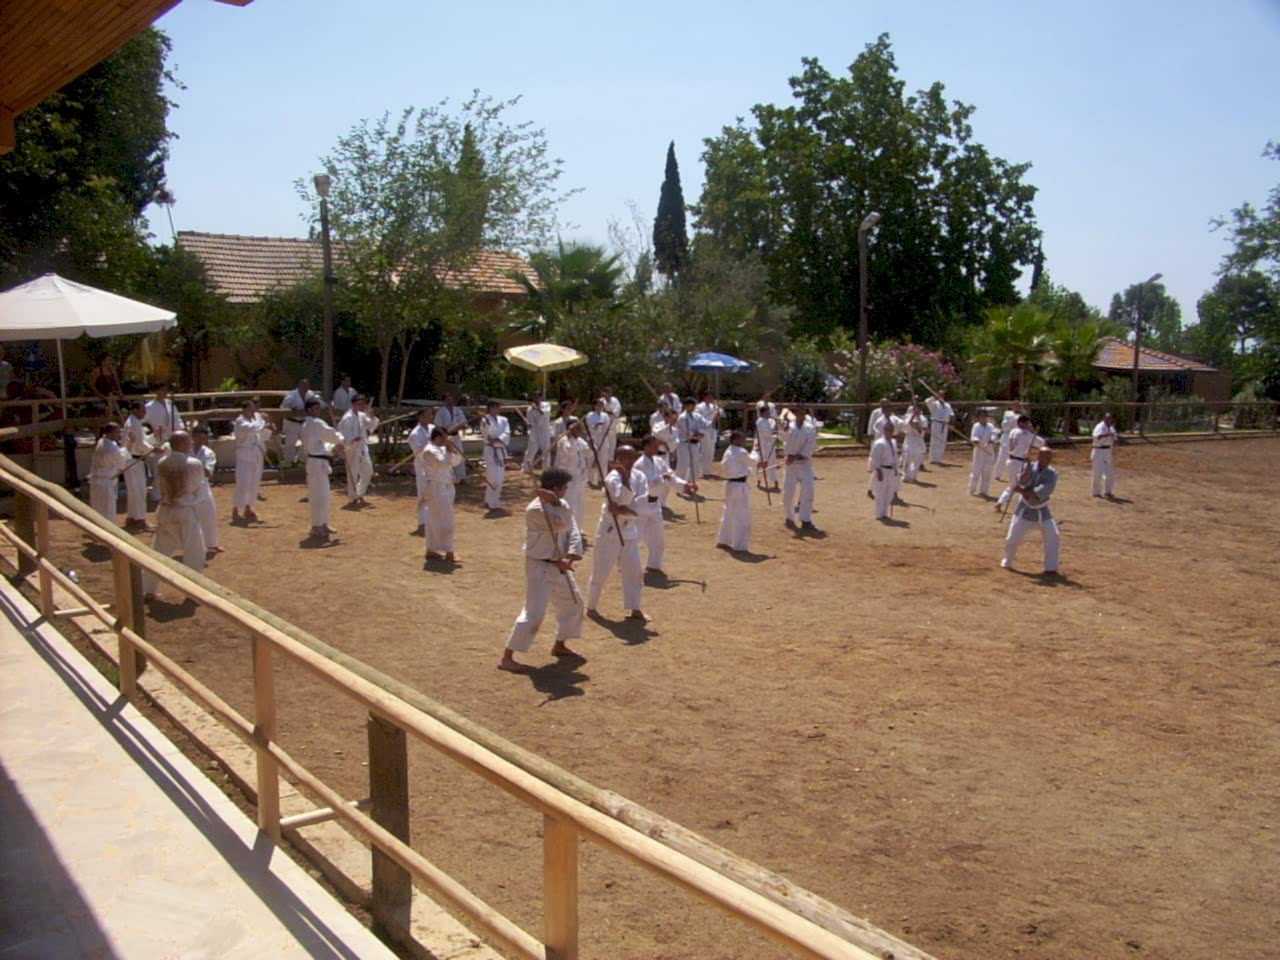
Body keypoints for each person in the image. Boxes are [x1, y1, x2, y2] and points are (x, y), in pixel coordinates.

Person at [499, 467, 585, 672]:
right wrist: (555, 503)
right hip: (540, 566)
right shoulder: (535, 510)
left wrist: (570, 557)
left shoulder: (561, 504)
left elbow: (572, 531)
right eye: (563, 487)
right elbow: (561, 524)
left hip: (560, 565)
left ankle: (560, 645)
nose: (566, 491)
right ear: (554, 488)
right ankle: (507, 657)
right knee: (534, 613)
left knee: (574, 603)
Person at [585, 445, 649, 621]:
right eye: (625, 457)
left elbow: (641, 502)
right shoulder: (611, 478)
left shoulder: (640, 476)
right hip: (610, 531)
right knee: (601, 571)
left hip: (630, 530)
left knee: (635, 570)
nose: (629, 461)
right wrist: (623, 500)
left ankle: (635, 607)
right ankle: (591, 606)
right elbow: (622, 499)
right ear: (617, 460)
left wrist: (624, 509)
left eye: (632, 456)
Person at [143, 432, 208, 598]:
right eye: (188, 441)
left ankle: (147, 589)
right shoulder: (194, 464)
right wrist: (192, 499)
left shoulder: (162, 462)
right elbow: (200, 490)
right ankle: (193, 592)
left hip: (165, 509)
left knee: (159, 551)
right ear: (182, 444)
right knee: (194, 552)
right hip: (185, 510)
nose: (191, 444)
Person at [1002, 446, 1060, 575]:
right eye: (1046, 456)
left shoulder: (1052, 473)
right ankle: (1007, 561)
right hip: (1024, 509)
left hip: (1042, 510)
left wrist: (1021, 490)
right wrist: (1027, 464)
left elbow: (1039, 492)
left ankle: (1050, 568)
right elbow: (1022, 481)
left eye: (1050, 457)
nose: (1049, 460)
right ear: (1039, 457)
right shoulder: (1029, 467)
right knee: (1012, 538)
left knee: (1053, 536)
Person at [301, 399, 345, 540]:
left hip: (319, 461)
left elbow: (323, 443)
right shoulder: (315, 423)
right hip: (316, 463)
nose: (317, 411)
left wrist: (334, 447)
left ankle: (323, 523)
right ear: (308, 410)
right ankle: (316, 526)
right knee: (318, 496)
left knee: (324, 495)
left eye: (318, 409)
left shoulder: (310, 425)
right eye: (314, 409)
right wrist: (340, 439)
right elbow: (331, 435)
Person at [635, 435, 680, 572]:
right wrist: (662, 478)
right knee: (635, 537)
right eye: (654, 446)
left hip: (655, 504)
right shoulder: (639, 465)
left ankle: (654, 565)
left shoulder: (659, 461)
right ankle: (626, 562)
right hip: (641, 504)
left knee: (658, 538)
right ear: (646, 447)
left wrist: (685, 486)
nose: (657, 448)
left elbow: (671, 476)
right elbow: (648, 484)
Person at [420, 427, 463, 562]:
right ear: (437, 437)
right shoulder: (429, 450)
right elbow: (442, 463)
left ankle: (432, 549)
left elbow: (456, 461)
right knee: (446, 519)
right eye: (444, 437)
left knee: (437, 518)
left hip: (446, 486)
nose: (447, 440)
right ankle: (449, 551)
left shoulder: (443, 449)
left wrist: (451, 449)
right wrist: (449, 448)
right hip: (436, 487)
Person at [716, 430, 759, 552]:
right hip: (739, 486)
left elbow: (744, 465)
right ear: (735, 440)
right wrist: (756, 451)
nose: (744, 441)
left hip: (730, 485)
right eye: (742, 439)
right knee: (742, 515)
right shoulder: (740, 451)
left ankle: (723, 540)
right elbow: (752, 461)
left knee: (728, 512)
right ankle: (740, 545)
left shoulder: (728, 451)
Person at [995, 416, 1046, 510]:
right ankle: (1025, 505)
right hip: (1019, 462)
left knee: (1013, 484)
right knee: (1023, 484)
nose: (1028, 425)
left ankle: (1001, 501)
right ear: (1021, 423)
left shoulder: (1013, 431)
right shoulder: (1025, 434)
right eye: (1027, 423)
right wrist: (1032, 432)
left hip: (1011, 460)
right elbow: (1041, 443)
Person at [232, 399, 270, 524]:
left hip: (256, 453)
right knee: (243, 482)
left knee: (254, 482)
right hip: (245, 454)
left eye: (254, 409)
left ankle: (248, 508)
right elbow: (251, 429)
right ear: (244, 410)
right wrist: (264, 422)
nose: (253, 411)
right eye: (250, 409)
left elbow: (261, 434)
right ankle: (236, 509)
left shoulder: (256, 420)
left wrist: (268, 429)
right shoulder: (240, 422)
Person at [338, 394, 379, 506]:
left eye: (362, 404)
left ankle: (359, 492)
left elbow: (372, 425)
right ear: (353, 404)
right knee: (353, 472)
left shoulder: (362, 415)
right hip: (352, 448)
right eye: (358, 404)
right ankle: (353, 496)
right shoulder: (348, 418)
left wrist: (370, 413)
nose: (361, 406)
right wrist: (353, 438)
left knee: (368, 471)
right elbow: (344, 435)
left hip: (362, 446)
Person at [781, 405, 818, 530]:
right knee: (788, 493)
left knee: (808, 491)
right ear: (795, 413)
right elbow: (783, 439)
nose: (801, 415)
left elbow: (810, 445)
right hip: (790, 466)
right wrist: (784, 428)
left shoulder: (810, 428)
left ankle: (805, 519)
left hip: (805, 464)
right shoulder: (789, 427)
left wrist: (797, 456)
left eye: (803, 413)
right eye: (798, 412)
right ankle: (789, 517)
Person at [88, 423, 130, 522]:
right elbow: (122, 464)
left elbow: (117, 453)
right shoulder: (110, 448)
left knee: (98, 508)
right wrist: (129, 445)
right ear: (110, 433)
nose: (119, 434)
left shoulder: (102, 441)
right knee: (107, 510)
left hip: (97, 480)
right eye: (117, 432)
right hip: (105, 483)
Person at [121, 400, 153, 531]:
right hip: (133, 460)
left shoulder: (134, 422)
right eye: (142, 410)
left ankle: (133, 517)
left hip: (135, 460)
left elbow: (143, 440)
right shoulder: (133, 423)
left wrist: (154, 436)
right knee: (138, 491)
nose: (144, 413)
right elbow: (141, 444)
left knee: (135, 490)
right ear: (135, 410)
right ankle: (139, 519)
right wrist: (153, 450)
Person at [554, 418, 592, 531]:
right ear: (570, 429)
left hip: (580, 478)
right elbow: (569, 452)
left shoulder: (580, 440)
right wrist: (571, 437)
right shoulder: (563, 440)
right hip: (567, 479)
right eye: (577, 428)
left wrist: (591, 446)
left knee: (581, 506)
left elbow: (588, 453)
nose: (580, 430)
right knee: (570, 505)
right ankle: (568, 529)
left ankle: (577, 529)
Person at [190, 425, 222, 556]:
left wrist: (197, 464)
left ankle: (212, 544)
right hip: (187, 487)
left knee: (209, 516)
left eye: (204, 438)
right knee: (190, 518)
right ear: (193, 437)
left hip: (203, 486)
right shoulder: (185, 450)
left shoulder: (208, 453)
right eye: (199, 438)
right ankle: (191, 546)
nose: (201, 441)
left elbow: (209, 473)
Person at [280, 378, 322, 467]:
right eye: (303, 385)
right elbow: (283, 407)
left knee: (306, 442)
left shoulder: (310, 394)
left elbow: (319, 403)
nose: (305, 387)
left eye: (307, 385)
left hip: (304, 422)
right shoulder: (291, 395)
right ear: (299, 386)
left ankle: (301, 460)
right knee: (290, 443)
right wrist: (291, 409)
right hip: (292, 422)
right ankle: (288, 461)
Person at [406, 409, 433, 536]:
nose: (430, 417)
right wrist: (429, 448)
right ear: (421, 417)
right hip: (423, 465)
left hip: (435, 466)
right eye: (428, 414)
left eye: (431, 414)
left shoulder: (433, 429)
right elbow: (418, 452)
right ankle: (422, 523)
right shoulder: (414, 434)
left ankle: (432, 521)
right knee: (423, 493)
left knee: (435, 493)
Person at [480, 399, 510, 511]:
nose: (497, 409)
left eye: (498, 407)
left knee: (500, 478)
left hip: (500, 449)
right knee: (492, 478)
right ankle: (489, 502)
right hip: (490, 450)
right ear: (490, 408)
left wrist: (498, 439)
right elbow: (487, 433)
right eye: (494, 407)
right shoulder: (484, 419)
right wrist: (487, 421)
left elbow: (507, 433)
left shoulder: (504, 420)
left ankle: (494, 501)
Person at [434, 393, 469, 481]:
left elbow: (463, 422)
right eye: (447, 399)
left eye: (451, 398)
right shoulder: (440, 411)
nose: (450, 400)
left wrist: (459, 426)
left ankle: (461, 476)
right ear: (444, 400)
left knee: (459, 454)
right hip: (444, 436)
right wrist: (444, 434)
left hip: (456, 436)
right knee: (447, 456)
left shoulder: (458, 410)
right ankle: (449, 477)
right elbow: (438, 425)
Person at [868, 420, 899, 520]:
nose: (890, 432)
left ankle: (885, 513)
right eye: (888, 430)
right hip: (882, 469)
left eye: (892, 430)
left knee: (889, 492)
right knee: (880, 492)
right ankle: (879, 514)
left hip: (891, 470)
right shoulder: (879, 443)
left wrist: (896, 469)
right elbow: (874, 458)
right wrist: (878, 470)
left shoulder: (893, 442)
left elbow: (895, 457)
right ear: (884, 430)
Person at [968, 409, 998, 497]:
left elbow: (994, 435)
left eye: (985, 416)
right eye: (981, 416)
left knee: (987, 472)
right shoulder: (976, 426)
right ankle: (971, 490)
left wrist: (991, 441)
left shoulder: (991, 426)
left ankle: (984, 491)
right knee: (976, 471)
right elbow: (974, 436)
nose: (983, 418)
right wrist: (976, 441)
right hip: (979, 450)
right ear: (978, 417)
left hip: (989, 450)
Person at [675, 397, 704, 486]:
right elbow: (687, 433)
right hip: (685, 444)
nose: (695, 407)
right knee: (683, 465)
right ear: (687, 406)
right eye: (693, 405)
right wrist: (696, 435)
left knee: (695, 465)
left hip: (695, 444)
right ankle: (680, 485)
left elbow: (704, 425)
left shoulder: (696, 416)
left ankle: (691, 484)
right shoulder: (682, 418)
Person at [522, 392, 552, 473]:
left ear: (541, 398)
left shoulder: (547, 405)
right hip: (535, 432)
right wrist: (528, 424)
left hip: (544, 432)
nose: (537, 399)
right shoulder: (529, 409)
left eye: (538, 397)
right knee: (530, 451)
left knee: (546, 451)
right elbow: (531, 422)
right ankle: (526, 468)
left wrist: (537, 409)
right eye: (535, 397)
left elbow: (544, 415)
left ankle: (547, 470)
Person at [584, 398, 612, 484]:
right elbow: (589, 428)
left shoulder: (605, 415)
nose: (600, 406)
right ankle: (590, 478)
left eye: (601, 405)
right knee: (591, 458)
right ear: (594, 406)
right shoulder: (590, 415)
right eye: (598, 405)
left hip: (603, 439)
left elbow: (608, 427)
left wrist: (607, 430)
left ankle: (601, 479)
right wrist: (596, 425)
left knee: (603, 460)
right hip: (593, 438)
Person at [900, 400, 928, 482]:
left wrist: (917, 426)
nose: (917, 410)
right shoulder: (908, 416)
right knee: (908, 457)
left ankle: (914, 476)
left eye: (919, 409)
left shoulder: (923, 419)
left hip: (918, 439)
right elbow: (905, 427)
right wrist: (912, 419)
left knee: (917, 458)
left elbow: (922, 431)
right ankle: (905, 476)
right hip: (910, 438)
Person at [995, 400, 1024, 481]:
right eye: (1015, 405)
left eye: (1018, 406)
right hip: (1007, 435)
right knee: (1002, 456)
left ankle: (1014, 475)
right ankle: (997, 474)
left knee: (1015, 456)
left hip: (1016, 436)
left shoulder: (1021, 415)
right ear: (1012, 406)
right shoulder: (1007, 413)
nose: (1017, 407)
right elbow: (1013, 420)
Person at [1091, 412, 1118, 498]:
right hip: (1099, 450)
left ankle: (1108, 491)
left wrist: (1114, 438)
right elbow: (1097, 436)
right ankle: (1096, 492)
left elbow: (1116, 440)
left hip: (1108, 451)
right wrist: (1108, 434)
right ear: (1104, 418)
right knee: (1097, 472)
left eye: (1110, 418)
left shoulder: (1112, 428)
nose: (1109, 420)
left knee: (1110, 472)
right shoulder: (1099, 426)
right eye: (1107, 418)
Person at [694, 390, 720, 478]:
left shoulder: (714, 407)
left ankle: (707, 470)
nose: (711, 399)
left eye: (711, 397)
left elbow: (719, 415)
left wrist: (717, 413)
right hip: (703, 430)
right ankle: (702, 471)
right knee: (704, 450)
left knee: (711, 450)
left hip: (711, 430)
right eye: (709, 397)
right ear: (705, 398)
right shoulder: (699, 407)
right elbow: (698, 417)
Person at [755, 401, 779, 489]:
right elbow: (766, 433)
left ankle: (775, 481)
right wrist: (773, 432)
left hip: (770, 444)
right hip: (762, 444)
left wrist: (777, 424)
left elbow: (775, 430)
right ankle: (759, 480)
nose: (769, 414)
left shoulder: (771, 420)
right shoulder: (760, 421)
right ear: (763, 413)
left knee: (772, 461)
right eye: (767, 412)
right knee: (762, 461)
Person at [925, 390, 953, 464]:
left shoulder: (947, 405)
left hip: (945, 424)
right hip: (937, 423)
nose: (942, 396)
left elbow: (951, 414)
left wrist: (949, 421)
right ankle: (933, 459)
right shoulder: (934, 404)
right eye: (940, 395)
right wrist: (934, 397)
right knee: (935, 441)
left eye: (943, 395)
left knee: (942, 442)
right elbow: (927, 401)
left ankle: (939, 458)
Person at [601, 385, 623, 467]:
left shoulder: (615, 401)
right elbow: (600, 413)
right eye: (606, 392)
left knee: (611, 446)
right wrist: (608, 412)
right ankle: (602, 463)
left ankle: (610, 463)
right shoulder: (601, 401)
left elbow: (615, 413)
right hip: (603, 428)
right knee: (603, 446)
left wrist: (606, 412)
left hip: (612, 427)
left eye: (610, 392)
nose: (608, 394)